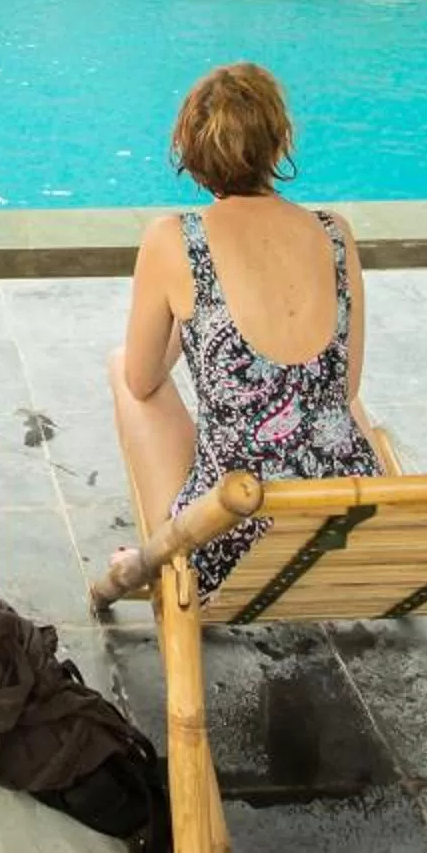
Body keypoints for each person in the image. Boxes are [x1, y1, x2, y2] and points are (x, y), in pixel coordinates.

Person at [110, 61, 379, 595]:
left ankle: (161, 556)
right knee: (325, 402)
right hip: (347, 529)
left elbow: (144, 381)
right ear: (279, 142)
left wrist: (196, 331)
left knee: (124, 368)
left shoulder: (174, 238)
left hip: (233, 534)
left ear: (188, 148)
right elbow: (345, 390)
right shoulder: (334, 233)